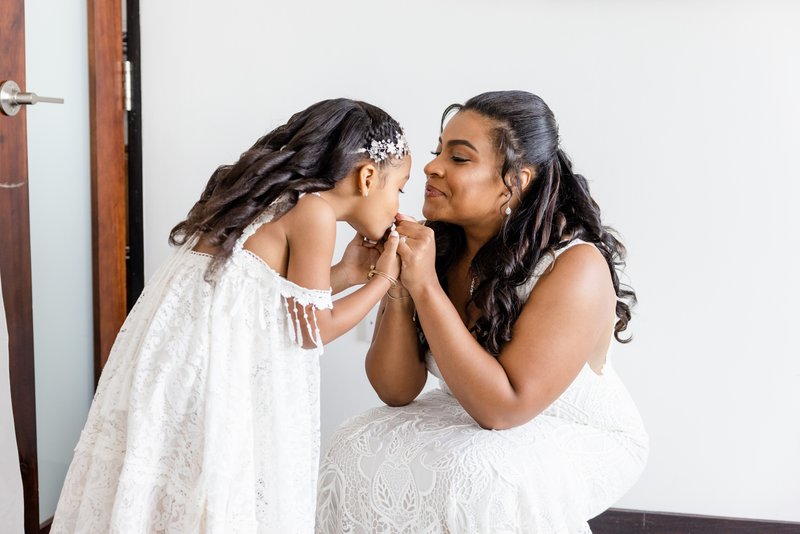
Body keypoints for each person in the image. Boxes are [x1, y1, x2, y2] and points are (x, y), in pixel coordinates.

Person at [51, 98, 411, 533]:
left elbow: (261, 298)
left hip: (183, 365)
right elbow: (312, 329)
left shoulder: (276, 198)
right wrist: (383, 281)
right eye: (400, 189)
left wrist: (349, 273)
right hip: (217, 376)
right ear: (368, 177)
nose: (398, 206)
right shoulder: (315, 213)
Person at [316, 91, 648, 533]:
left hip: (573, 426)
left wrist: (426, 286)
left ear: (517, 181)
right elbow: (396, 390)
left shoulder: (575, 265)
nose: (432, 167)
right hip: (472, 407)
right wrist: (396, 281)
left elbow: (504, 409)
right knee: (353, 444)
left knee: (474, 471)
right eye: (438, 152)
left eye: (459, 158)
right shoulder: (440, 244)